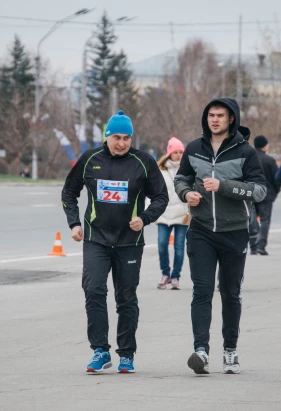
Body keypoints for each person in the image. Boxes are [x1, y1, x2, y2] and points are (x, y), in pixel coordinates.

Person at [61, 110, 168, 374]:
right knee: (94, 290)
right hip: (96, 239)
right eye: (117, 137)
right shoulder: (90, 159)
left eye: (126, 138)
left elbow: (161, 197)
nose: (121, 143)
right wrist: (74, 223)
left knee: (126, 298)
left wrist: (144, 218)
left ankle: (127, 354)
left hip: (129, 241)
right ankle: (100, 350)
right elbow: (69, 192)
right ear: (107, 136)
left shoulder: (143, 162)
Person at [174, 98, 267, 375]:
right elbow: (181, 178)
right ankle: (201, 351)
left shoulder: (245, 152)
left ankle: (230, 350)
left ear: (231, 119)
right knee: (201, 291)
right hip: (201, 229)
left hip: (234, 232)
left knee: (230, 293)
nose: (215, 119)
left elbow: (259, 190)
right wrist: (185, 193)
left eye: (220, 116)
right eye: (211, 115)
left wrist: (224, 186)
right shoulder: (193, 148)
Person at [154, 137, 190, 290]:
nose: (178, 155)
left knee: (179, 247)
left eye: (181, 152)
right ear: (169, 153)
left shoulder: (188, 169)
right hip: (164, 213)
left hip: (182, 214)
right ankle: (165, 274)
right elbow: (153, 191)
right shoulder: (160, 170)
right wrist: (151, 210)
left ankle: (175, 276)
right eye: (175, 152)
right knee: (162, 244)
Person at [248, 136, 281, 256]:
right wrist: (275, 192)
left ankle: (253, 246)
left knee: (251, 220)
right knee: (265, 220)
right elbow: (276, 179)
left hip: (251, 193)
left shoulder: (249, 158)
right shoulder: (269, 160)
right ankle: (261, 246)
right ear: (264, 146)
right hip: (267, 194)